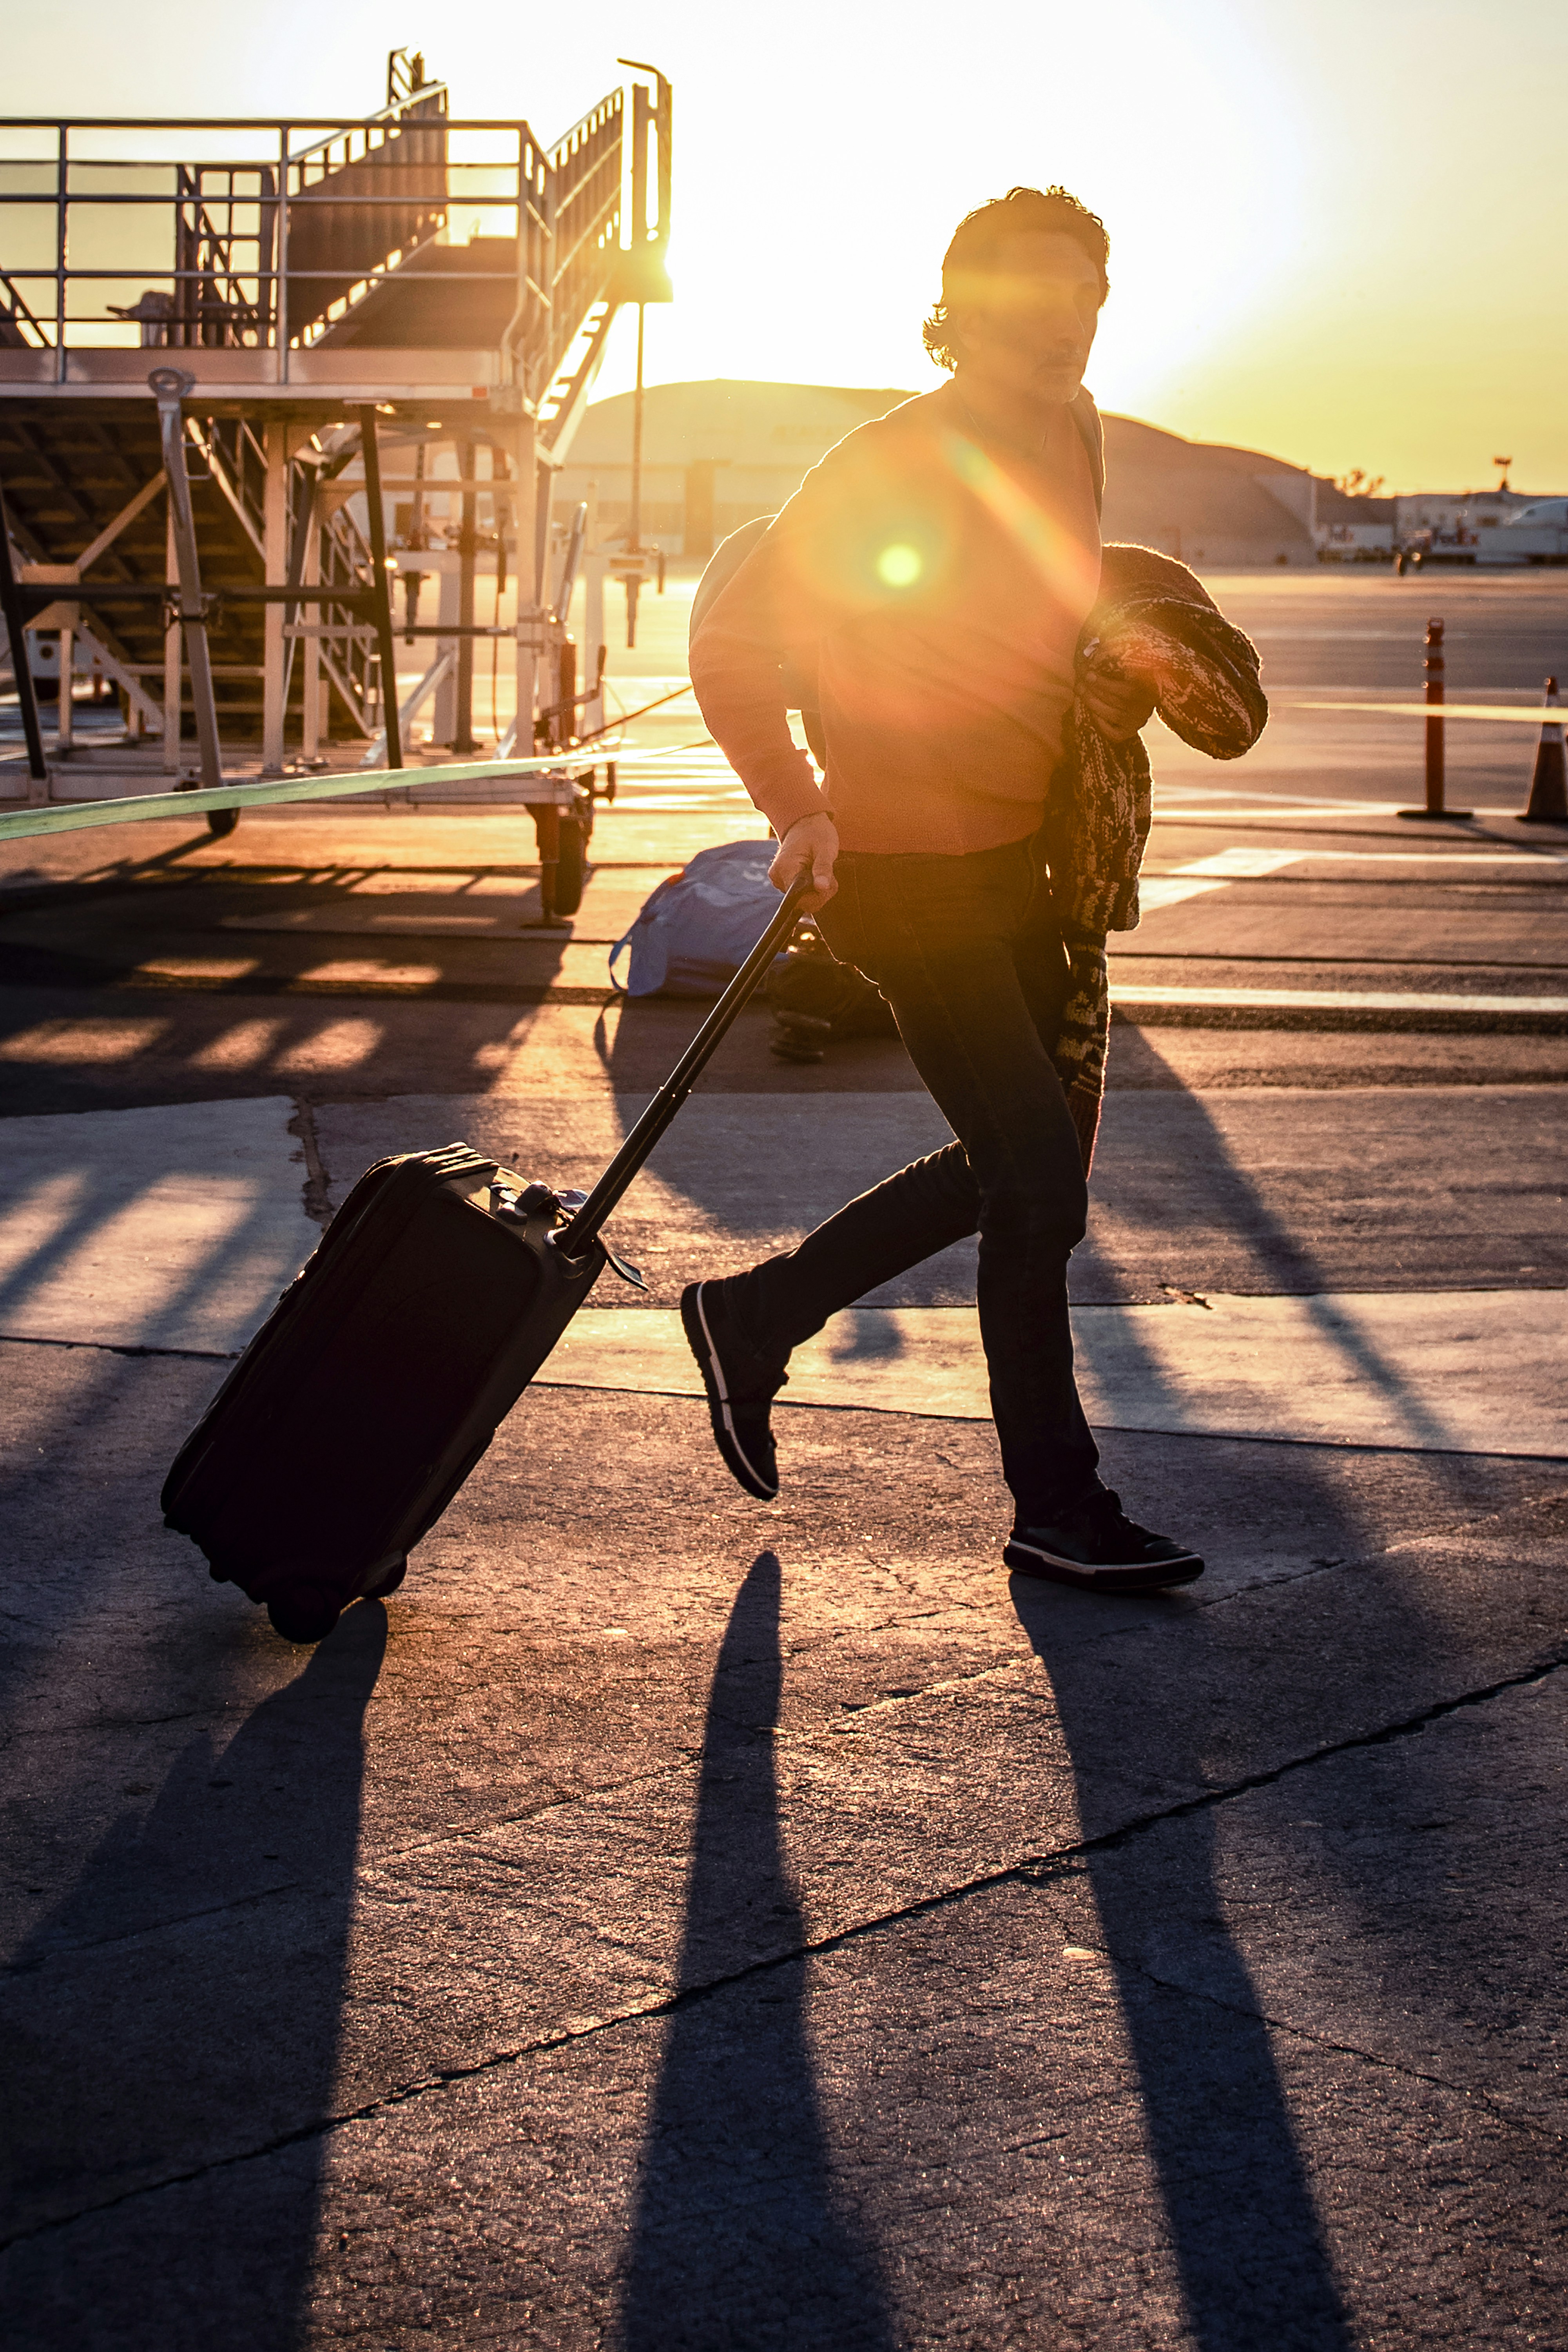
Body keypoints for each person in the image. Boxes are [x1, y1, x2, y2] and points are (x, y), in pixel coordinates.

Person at [682, 186, 1212, 1593]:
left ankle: (758, 1315)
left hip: (1021, 865)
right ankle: (1057, 1504)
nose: (1066, 320)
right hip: (902, 874)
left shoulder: (1076, 429)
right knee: (1037, 1182)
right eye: (1030, 298)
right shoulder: (885, 462)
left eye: (1086, 292)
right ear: (961, 312)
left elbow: (1042, 591)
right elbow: (731, 641)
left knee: (1017, 1168)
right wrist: (796, 804)